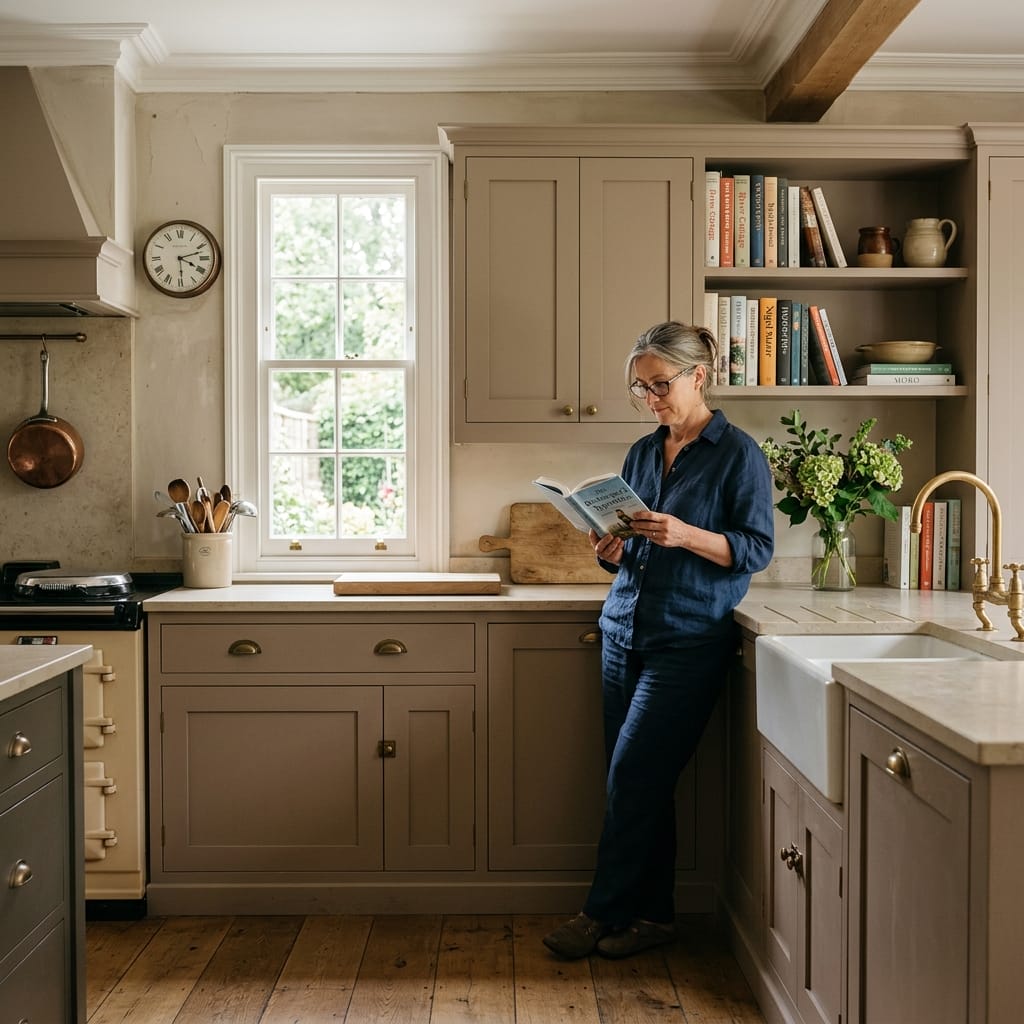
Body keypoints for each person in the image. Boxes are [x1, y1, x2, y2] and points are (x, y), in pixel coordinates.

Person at [542, 321, 775, 960]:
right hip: (623, 631)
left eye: (660, 384)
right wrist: (608, 549)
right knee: (639, 783)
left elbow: (755, 550)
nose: (651, 399)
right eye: (641, 388)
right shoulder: (643, 452)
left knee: (634, 774)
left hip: (688, 640)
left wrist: (685, 533)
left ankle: (600, 912)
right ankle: (654, 918)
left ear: (699, 375)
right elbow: (629, 555)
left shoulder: (739, 455)